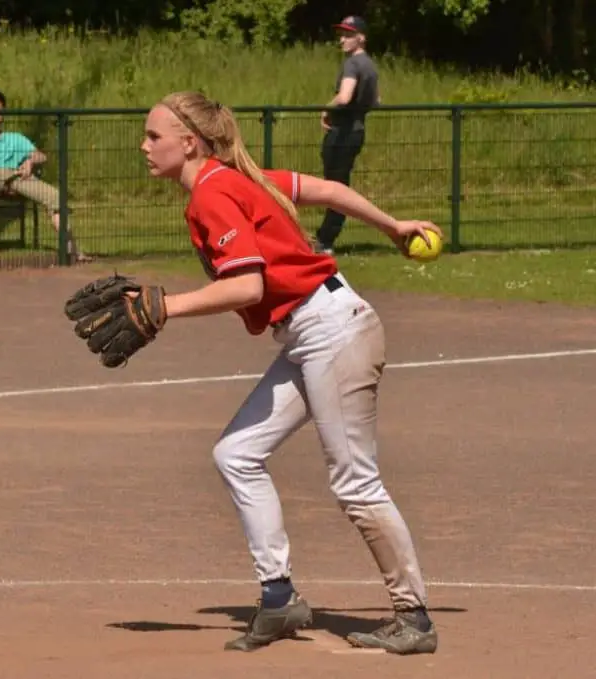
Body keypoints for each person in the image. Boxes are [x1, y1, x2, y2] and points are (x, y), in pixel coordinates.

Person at [137, 91, 440, 654]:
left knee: (355, 481)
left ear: (190, 143)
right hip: (312, 333)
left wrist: (167, 307)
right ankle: (278, 596)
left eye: (155, 136)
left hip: (333, 331)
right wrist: (391, 225)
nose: (145, 145)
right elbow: (328, 191)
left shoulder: (214, 193)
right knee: (236, 454)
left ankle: (413, 616)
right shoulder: (238, 178)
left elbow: (248, 286)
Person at [0, 88, 90, 261]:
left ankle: (70, 246)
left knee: (54, 196)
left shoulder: (15, 137)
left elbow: (40, 155)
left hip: (14, 176)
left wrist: (30, 162)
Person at [315, 15, 380, 254]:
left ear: (361, 38)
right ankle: (325, 238)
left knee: (334, 189)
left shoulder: (352, 64)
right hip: (357, 131)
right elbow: (377, 100)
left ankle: (325, 241)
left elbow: (344, 97)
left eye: (348, 35)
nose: (342, 40)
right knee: (338, 186)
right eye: (341, 35)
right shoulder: (371, 66)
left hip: (341, 133)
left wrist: (326, 109)